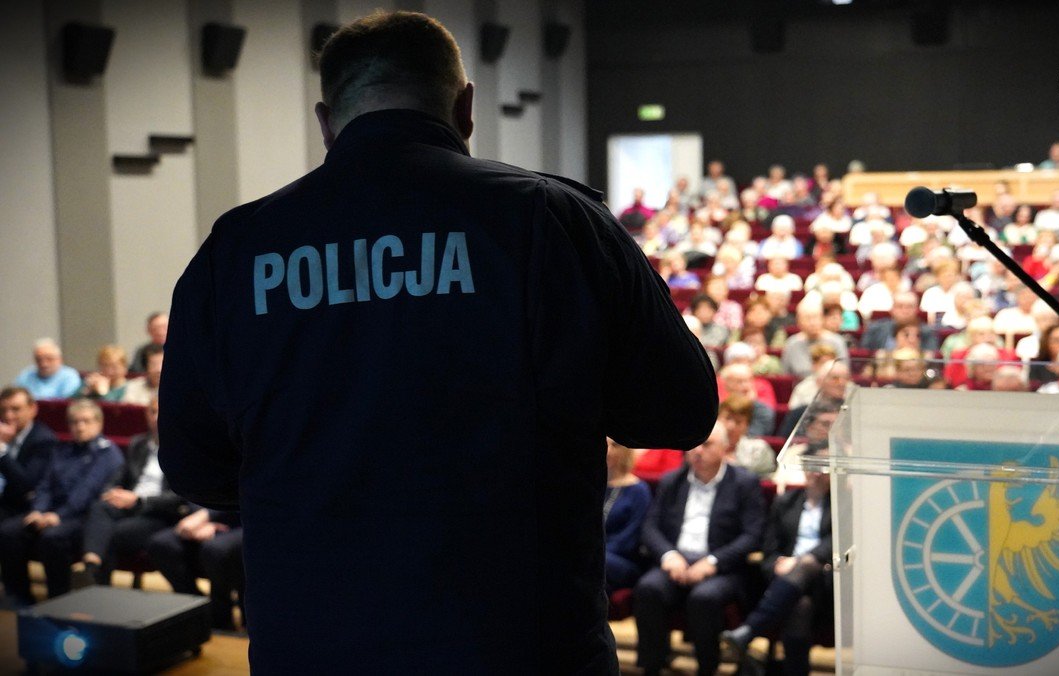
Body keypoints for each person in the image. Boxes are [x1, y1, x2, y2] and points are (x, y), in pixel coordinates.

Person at [157, 11, 717, 674]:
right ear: (466, 107)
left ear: (326, 122)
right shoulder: (552, 218)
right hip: (514, 645)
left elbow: (195, 468)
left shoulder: (235, 250)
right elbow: (680, 412)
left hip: (310, 642)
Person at [634, 423, 765, 676]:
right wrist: (669, 555)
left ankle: (707, 667)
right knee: (648, 588)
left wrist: (713, 561)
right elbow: (650, 527)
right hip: (677, 561)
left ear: (725, 448)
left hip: (722, 568)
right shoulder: (672, 480)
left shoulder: (744, 483)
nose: (697, 451)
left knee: (704, 598)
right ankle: (653, 666)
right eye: (693, 445)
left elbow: (753, 535)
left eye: (706, 444)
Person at [0, 399, 123, 603]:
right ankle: (19, 598)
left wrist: (58, 516)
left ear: (99, 423)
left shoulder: (107, 453)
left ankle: (58, 600)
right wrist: (38, 510)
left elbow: (86, 492)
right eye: (74, 422)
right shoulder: (63, 450)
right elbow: (45, 484)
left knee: (52, 538)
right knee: (9, 532)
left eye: (86, 421)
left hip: (82, 517)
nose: (80, 427)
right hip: (50, 513)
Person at [722, 448, 832, 676]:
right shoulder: (785, 502)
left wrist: (799, 562)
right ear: (804, 468)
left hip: (825, 579)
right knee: (800, 606)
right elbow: (769, 551)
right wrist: (778, 565)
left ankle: (749, 630)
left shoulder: (842, 506)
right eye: (813, 465)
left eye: (824, 467)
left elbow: (833, 545)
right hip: (784, 583)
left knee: (807, 566)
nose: (817, 473)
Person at [80, 397, 191, 585]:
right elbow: (118, 476)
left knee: (113, 531)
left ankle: (96, 585)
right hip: (129, 505)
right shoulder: (138, 443)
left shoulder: (183, 448)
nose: (156, 417)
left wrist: (139, 500)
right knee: (99, 507)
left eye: (161, 411)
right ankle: (91, 567)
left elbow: (180, 495)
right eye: (152, 412)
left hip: (158, 513)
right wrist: (111, 492)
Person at [147, 508, 245, 631]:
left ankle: (221, 619)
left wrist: (207, 516)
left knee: (214, 550)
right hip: (197, 519)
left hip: (242, 522)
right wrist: (197, 521)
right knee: (162, 544)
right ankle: (195, 609)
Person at [0, 387, 58, 522]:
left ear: (33, 409)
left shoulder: (44, 440)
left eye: (15, 409)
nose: (8, 416)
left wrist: (1, 449)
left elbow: (26, 485)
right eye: (3, 410)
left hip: (21, 507)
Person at [603, 439, 651, 593]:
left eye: (615, 446)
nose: (608, 451)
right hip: (596, 557)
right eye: (604, 445)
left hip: (623, 561)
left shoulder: (639, 491)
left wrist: (595, 551)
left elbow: (630, 538)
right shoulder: (593, 485)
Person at [719, 395, 777, 477]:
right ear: (717, 419)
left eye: (738, 422)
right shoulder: (702, 447)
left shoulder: (758, 451)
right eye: (727, 418)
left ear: (747, 426)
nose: (731, 426)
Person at [13, 338, 82, 400]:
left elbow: (67, 402)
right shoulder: (26, 375)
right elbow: (13, 397)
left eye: (49, 359)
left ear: (60, 359)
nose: (44, 364)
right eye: (39, 359)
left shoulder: (70, 376)